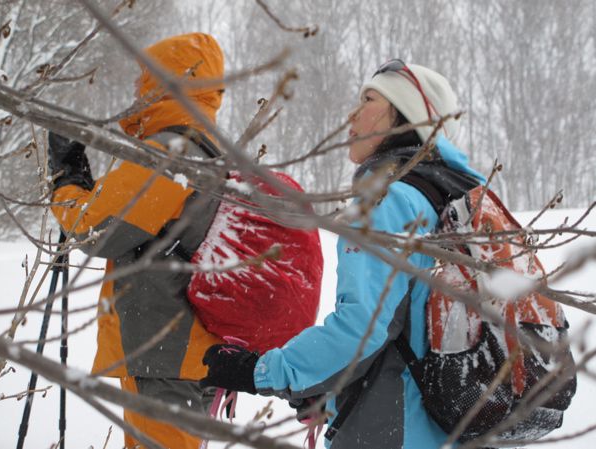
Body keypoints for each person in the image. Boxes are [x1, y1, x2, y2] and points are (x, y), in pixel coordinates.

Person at [48, 33, 323, 448]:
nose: (136, 90)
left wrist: (68, 179)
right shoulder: (210, 151)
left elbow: (93, 228)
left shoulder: (171, 153)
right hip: (191, 351)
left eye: (144, 79)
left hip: (165, 353)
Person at [201, 59, 487, 448]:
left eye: (368, 99)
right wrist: (324, 391)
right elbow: (408, 330)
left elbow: (361, 329)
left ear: (407, 119)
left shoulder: (386, 200)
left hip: (390, 431)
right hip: (450, 425)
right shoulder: (454, 200)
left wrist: (259, 371)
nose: (350, 113)